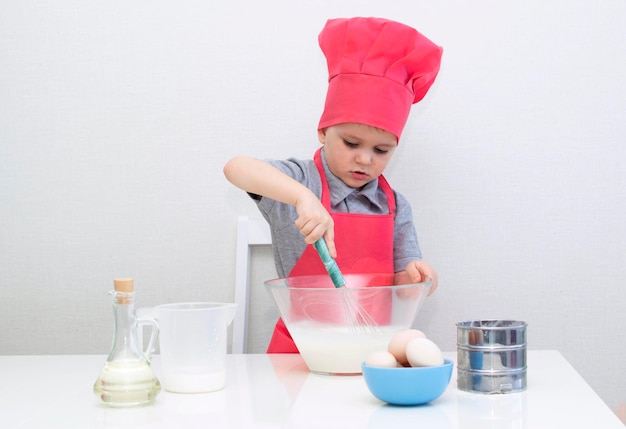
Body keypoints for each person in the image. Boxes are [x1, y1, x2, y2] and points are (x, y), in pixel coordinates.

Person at [224, 17, 443, 353]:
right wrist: (303, 198)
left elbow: (399, 285)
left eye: (381, 150)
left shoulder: (395, 206)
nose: (365, 160)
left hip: (368, 351)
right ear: (324, 132)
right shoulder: (300, 180)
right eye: (351, 143)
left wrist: (414, 277)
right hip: (299, 351)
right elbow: (236, 168)